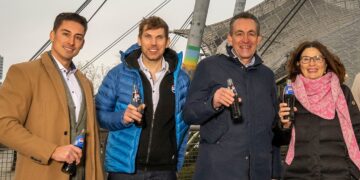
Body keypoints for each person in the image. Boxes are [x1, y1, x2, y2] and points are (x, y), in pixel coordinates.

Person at [0, 12, 104, 180]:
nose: (71, 42)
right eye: (65, 34)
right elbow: (3, 124)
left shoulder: (86, 83)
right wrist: (52, 151)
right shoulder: (24, 73)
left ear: (82, 43)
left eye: (78, 37)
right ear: (52, 35)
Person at [182, 12, 281, 180]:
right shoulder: (208, 66)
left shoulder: (267, 76)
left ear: (259, 39)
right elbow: (189, 114)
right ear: (229, 38)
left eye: (251, 34)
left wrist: (284, 124)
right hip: (218, 171)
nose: (245, 40)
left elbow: (272, 128)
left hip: (258, 172)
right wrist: (212, 103)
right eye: (239, 34)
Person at [95, 16, 190, 180]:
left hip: (165, 171)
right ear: (139, 40)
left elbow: (186, 120)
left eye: (159, 37)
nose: (153, 43)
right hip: (123, 171)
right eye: (148, 37)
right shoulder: (117, 75)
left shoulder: (182, 79)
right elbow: (99, 114)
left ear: (167, 42)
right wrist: (121, 117)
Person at [278, 40, 360, 179]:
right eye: (306, 59)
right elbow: (278, 140)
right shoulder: (289, 94)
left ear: (326, 63)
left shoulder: (342, 92)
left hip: (339, 174)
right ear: (298, 64)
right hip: (298, 174)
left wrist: (352, 172)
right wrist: (283, 126)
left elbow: (357, 131)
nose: (312, 63)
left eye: (317, 58)